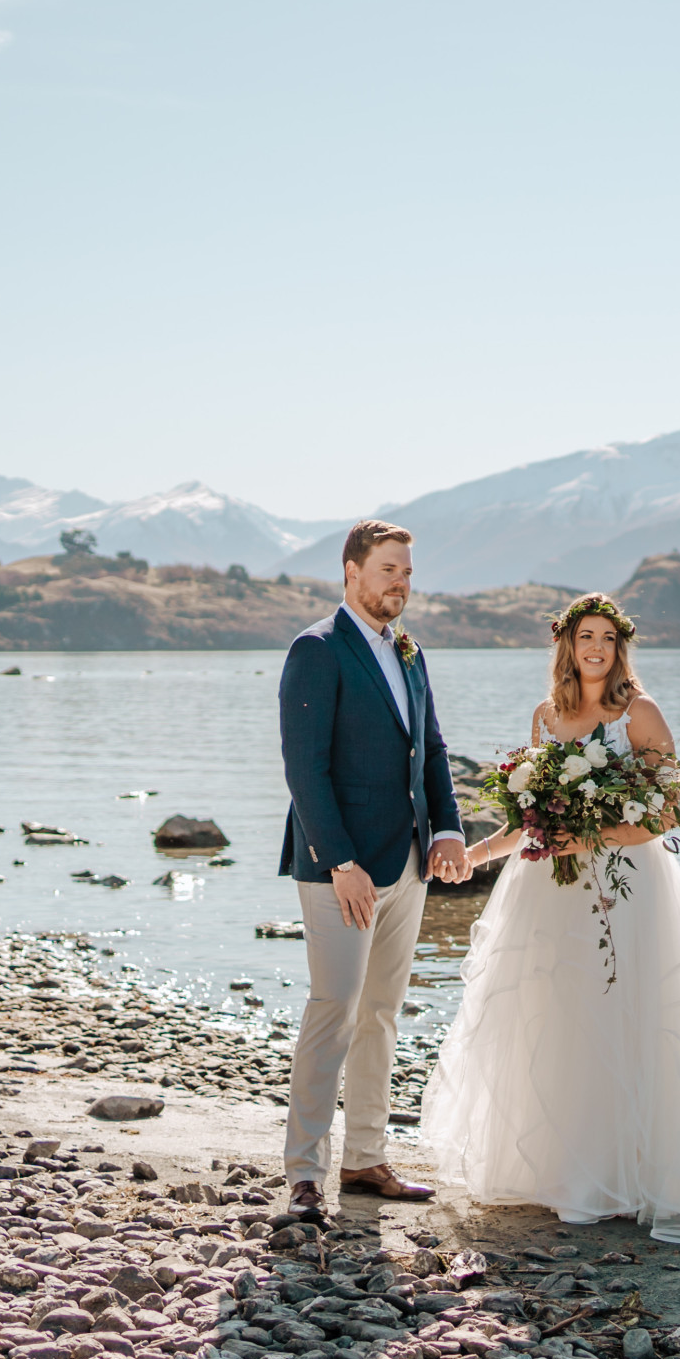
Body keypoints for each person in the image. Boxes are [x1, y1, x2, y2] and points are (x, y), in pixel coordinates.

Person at [415, 593, 680, 1246]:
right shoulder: (547, 716)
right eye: (586, 637)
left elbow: (664, 815)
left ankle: (632, 1176)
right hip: (550, 891)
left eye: (607, 637)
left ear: (620, 645)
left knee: (627, 1018)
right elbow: (530, 822)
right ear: (568, 646)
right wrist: (476, 853)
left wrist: (595, 835)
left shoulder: (640, 713)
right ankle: (567, 1173)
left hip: (628, 891)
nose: (597, 648)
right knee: (558, 1020)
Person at [276, 520, 473, 1216]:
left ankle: (364, 1159)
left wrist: (447, 828)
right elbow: (306, 769)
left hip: (408, 863)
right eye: (389, 569)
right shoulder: (317, 650)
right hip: (342, 870)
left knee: (382, 1015)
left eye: (408, 573)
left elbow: (434, 750)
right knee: (334, 1009)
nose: (401, 583)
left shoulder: (410, 653)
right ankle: (303, 1174)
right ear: (352, 570)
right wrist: (342, 862)